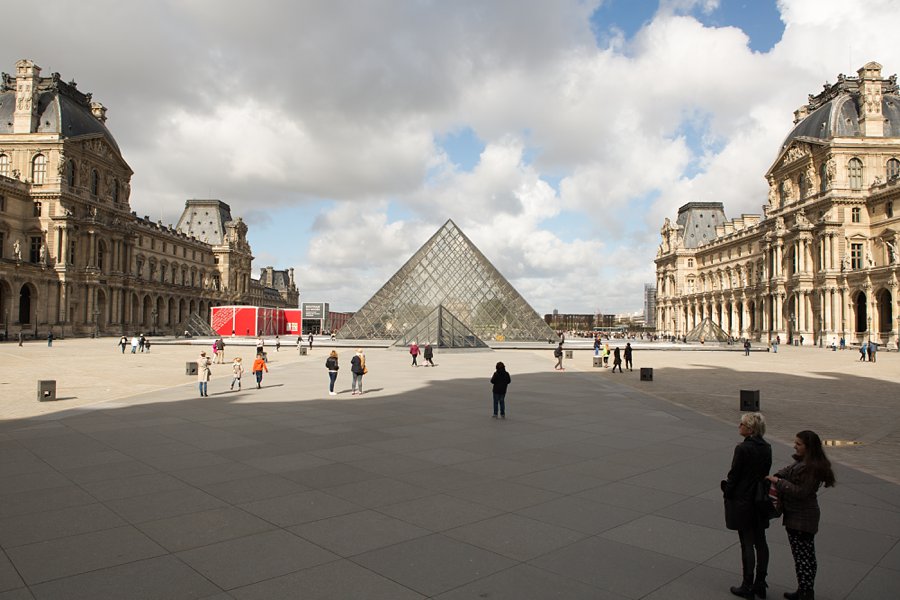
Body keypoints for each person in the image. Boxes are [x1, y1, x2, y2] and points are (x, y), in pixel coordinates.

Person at [766, 431, 836, 600]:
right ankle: (804, 589)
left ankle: (805, 592)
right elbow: (788, 470)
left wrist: (778, 482)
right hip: (798, 516)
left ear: (808, 447)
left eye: (798, 444)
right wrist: (779, 475)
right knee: (804, 556)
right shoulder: (805, 462)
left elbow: (801, 492)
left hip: (802, 518)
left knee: (803, 557)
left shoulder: (811, 467)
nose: (795, 446)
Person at [722, 412, 772, 599]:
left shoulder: (742, 449)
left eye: (742, 424)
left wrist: (727, 492)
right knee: (761, 541)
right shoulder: (767, 447)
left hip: (743, 498)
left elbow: (734, 474)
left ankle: (747, 584)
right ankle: (761, 582)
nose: (739, 426)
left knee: (747, 542)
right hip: (760, 498)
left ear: (750, 429)